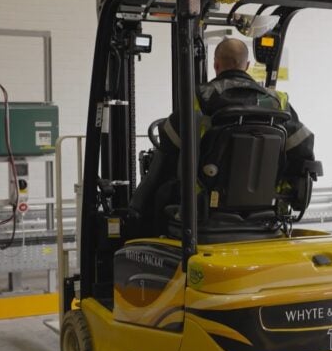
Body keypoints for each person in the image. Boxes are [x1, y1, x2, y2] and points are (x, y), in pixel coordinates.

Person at [130, 38, 315, 233]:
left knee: (160, 188)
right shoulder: (278, 103)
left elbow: (169, 145)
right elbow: (304, 148)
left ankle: (135, 235)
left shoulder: (199, 98)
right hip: (267, 212)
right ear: (248, 66)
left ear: (216, 64)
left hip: (204, 210)